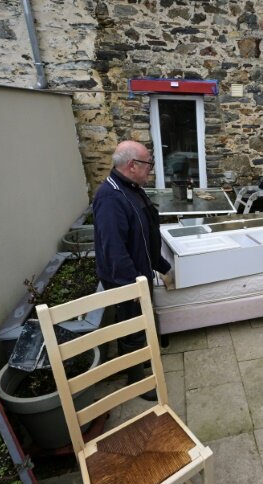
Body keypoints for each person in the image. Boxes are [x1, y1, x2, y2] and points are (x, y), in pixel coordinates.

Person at [93, 140, 172, 401]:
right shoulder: (110, 197)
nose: (151, 168)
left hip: (140, 272)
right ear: (132, 165)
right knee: (132, 324)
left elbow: (146, 230)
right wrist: (132, 286)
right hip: (125, 278)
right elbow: (113, 248)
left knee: (142, 320)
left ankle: (142, 362)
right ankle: (136, 379)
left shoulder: (133, 188)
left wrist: (160, 265)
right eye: (148, 163)